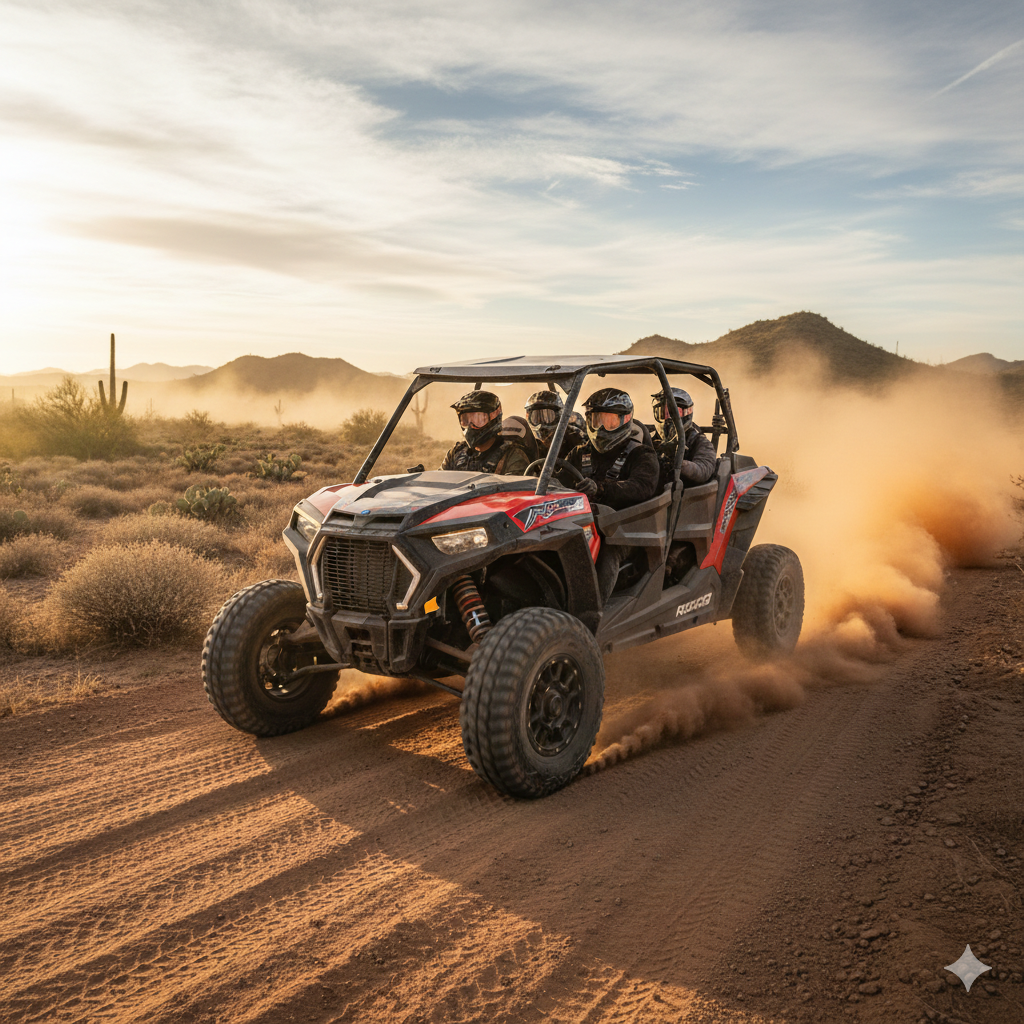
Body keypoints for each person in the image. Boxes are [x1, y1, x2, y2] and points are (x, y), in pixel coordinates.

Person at [565, 388, 659, 510]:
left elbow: (641, 487)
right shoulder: (579, 452)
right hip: (579, 518)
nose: (601, 429)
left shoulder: (642, 454)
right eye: (597, 421)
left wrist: (601, 488)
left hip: (623, 523)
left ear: (625, 419)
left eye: (610, 422)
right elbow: (559, 481)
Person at [440, 391, 531, 474]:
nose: (470, 426)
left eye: (478, 419)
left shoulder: (512, 455)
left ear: (494, 417)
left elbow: (515, 490)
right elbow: (439, 483)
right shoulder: (455, 453)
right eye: (465, 419)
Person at [650, 387, 717, 488]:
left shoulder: (698, 441)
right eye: (663, 413)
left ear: (687, 413)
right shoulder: (649, 439)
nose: (668, 418)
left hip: (685, 496)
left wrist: (679, 463)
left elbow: (704, 469)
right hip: (653, 495)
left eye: (676, 413)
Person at [524, 390, 584, 458]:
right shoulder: (527, 442)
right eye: (536, 418)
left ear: (558, 416)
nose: (541, 425)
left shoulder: (574, 438)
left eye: (548, 417)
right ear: (528, 417)